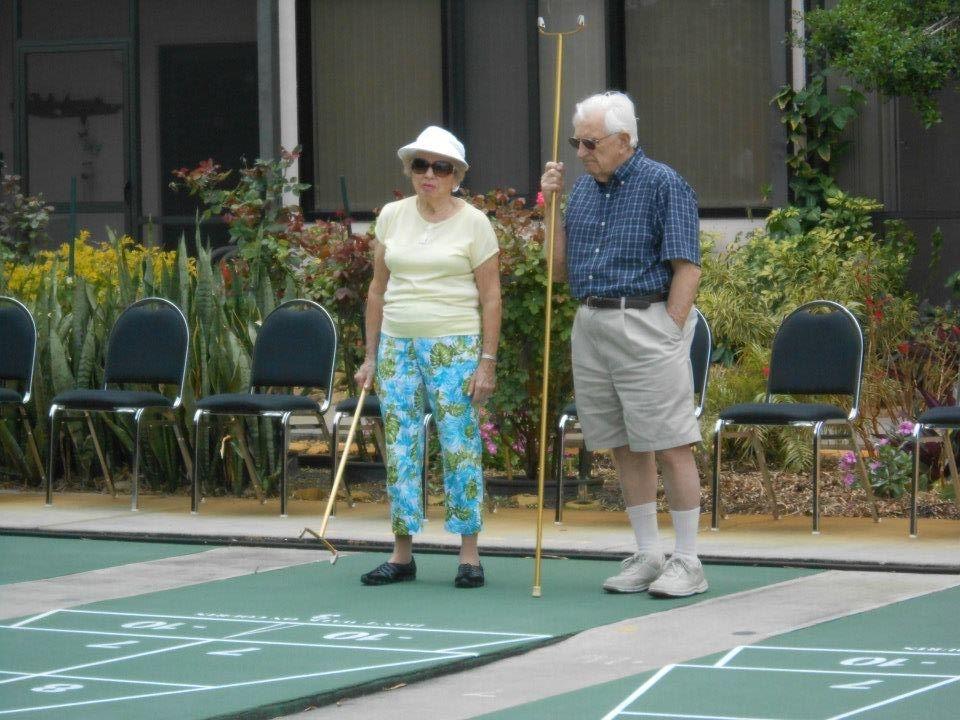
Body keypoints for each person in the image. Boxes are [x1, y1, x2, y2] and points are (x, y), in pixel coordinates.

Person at [540, 91, 707, 598]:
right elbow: (557, 269)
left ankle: (689, 560)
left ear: (623, 140)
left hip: (646, 318)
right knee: (622, 442)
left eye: (590, 142)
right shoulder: (583, 190)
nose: (581, 152)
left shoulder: (663, 183)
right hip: (591, 321)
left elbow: (688, 265)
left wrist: (670, 328)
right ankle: (648, 552)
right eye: (576, 142)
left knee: (671, 441)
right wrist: (549, 208)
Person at [355, 126, 501, 589]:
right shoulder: (392, 217)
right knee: (400, 447)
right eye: (420, 165)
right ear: (410, 171)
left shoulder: (475, 222)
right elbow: (377, 290)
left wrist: (487, 361)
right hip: (397, 345)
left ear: (457, 174)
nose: (429, 174)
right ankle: (402, 554)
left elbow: (492, 298)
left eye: (441, 166)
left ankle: (469, 556)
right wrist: (370, 356)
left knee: (459, 444)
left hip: (454, 344)